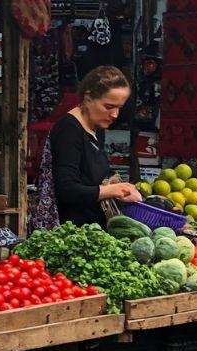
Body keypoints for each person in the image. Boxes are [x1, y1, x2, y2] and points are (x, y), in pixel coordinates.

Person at [33, 66, 140, 230]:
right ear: (88, 98)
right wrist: (113, 190)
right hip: (69, 232)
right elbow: (66, 190)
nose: (115, 114)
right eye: (109, 106)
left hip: (90, 229)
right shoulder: (68, 130)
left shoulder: (96, 128)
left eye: (119, 107)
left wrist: (119, 187)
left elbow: (89, 178)